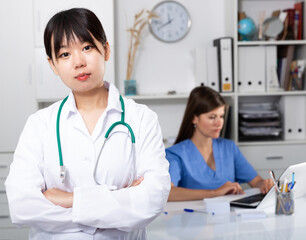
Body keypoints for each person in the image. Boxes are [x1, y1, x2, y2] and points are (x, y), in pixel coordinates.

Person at [5, 8, 170, 239]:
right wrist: (118, 203)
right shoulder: (39, 125)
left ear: (106, 50)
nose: (79, 62)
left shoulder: (141, 118)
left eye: (87, 47)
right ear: (52, 64)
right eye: (64, 55)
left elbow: (152, 201)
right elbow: (22, 207)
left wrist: (69, 200)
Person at [166, 86, 273, 201]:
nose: (219, 123)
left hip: (229, 216)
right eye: (212, 117)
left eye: (221, 116)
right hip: (193, 216)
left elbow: (256, 181)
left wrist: (263, 184)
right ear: (194, 118)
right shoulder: (175, 154)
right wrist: (215, 193)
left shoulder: (229, 148)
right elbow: (168, 192)